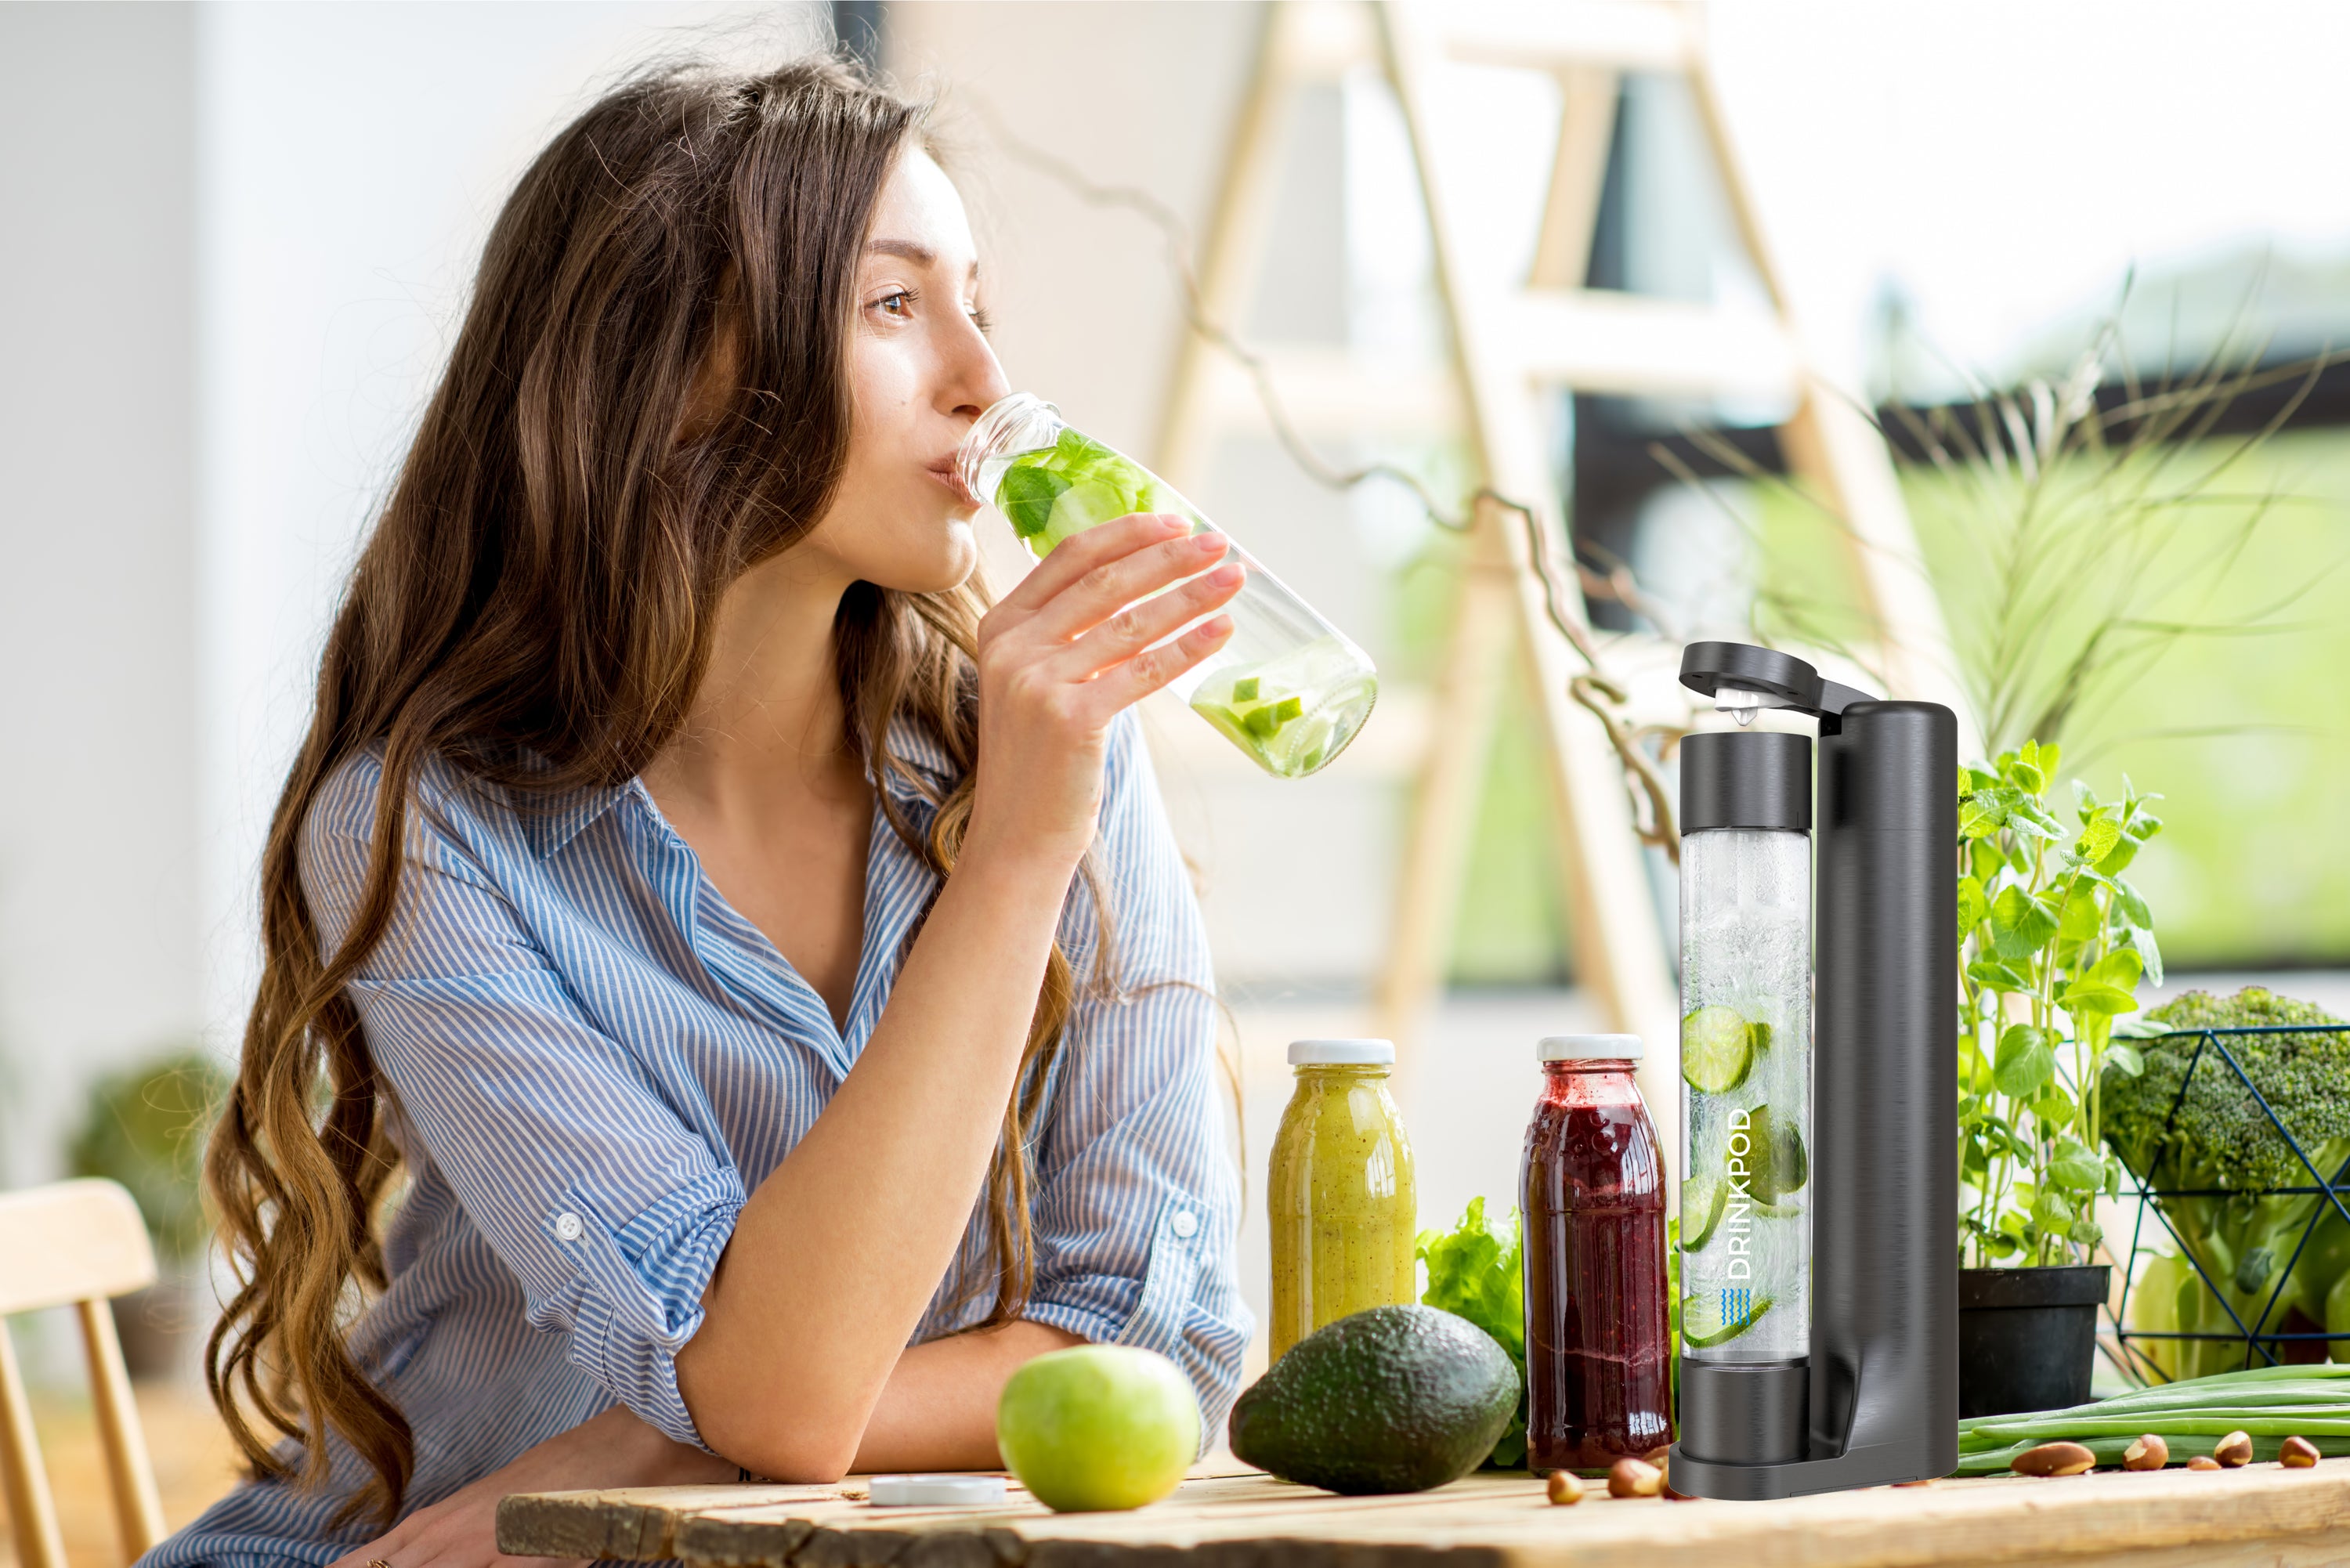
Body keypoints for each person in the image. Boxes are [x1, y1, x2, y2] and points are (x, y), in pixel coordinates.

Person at [147, 55, 1251, 1568]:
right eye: (892, 305)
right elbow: (792, 1403)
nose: (988, 378)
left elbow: (1154, 1361)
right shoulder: (428, 837)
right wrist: (1013, 872)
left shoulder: (1045, 752)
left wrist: (651, 1438)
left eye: (975, 302)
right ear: (679, 370)